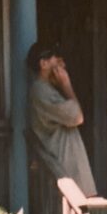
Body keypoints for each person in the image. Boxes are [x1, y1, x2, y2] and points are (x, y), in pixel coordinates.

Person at [27, 41, 97, 197]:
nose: (63, 65)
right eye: (57, 61)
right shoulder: (41, 91)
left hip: (70, 171)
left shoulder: (47, 90)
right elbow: (77, 116)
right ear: (43, 64)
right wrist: (67, 85)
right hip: (65, 171)